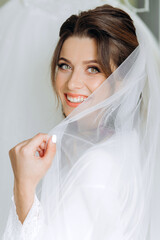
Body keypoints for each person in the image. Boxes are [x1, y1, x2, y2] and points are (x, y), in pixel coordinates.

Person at [2, 3, 160, 240]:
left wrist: (23, 185)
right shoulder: (124, 142)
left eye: (93, 69)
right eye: (65, 66)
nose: (72, 83)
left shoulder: (99, 165)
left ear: (123, 81)